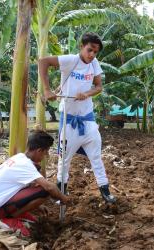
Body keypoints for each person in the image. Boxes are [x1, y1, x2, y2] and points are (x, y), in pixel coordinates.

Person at [38, 32, 116, 204]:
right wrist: (46, 90)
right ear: (81, 46)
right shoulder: (70, 60)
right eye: (89, 50)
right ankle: (60, 194)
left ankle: (105, 190)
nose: (92, 55)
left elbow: (98, 87)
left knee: (96, 157)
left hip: (88, 120)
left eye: (95, 52)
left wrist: (86, 94)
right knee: (64, 160)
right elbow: (43, 62)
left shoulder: (94, 63)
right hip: (69, 120)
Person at [0, 130, 70, 237]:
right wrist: (64, 199)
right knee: (44, 191)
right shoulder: (26, 165)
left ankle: (18, 213)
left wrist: (38, 205)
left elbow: (20, 187)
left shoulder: (20, 158)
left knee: (37, 187)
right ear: (39, 151)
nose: (46, 155)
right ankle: (9, 219)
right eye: (46, 152)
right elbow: (49, 187)